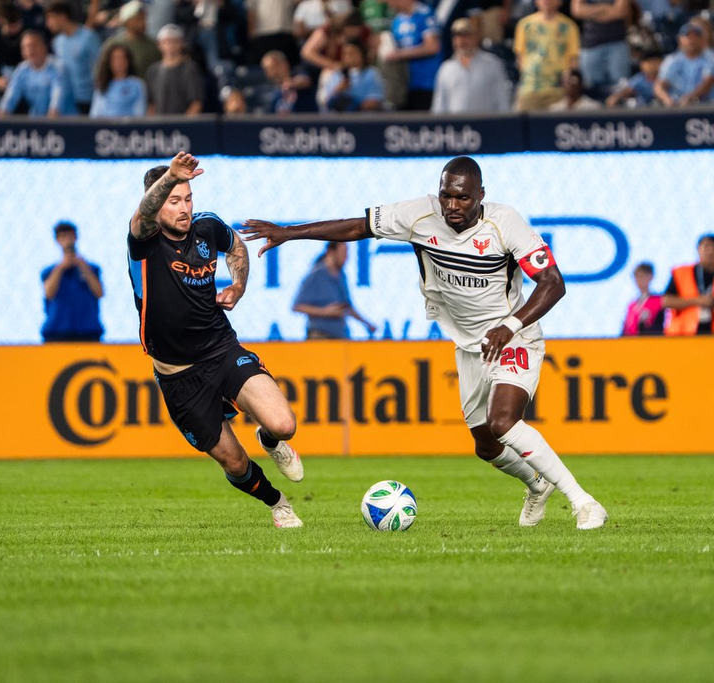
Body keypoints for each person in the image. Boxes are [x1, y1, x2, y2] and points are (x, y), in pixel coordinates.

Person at [241, 156, 608, 531]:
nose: (452, 206)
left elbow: (553, 282)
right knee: (485, 445)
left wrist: (510, 326)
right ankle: (536, 484)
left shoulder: (505, 222)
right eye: (446, 195)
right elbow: (358, 226)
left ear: (481, 195)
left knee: (503, 421)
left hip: (514, 335)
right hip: (470, 346)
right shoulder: (420, 215)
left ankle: (584, 503)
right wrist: (290, 232)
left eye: (462, 198)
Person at [127, 152, 304, 528]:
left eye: (188, 198)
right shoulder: (144, 241)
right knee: (235, 462)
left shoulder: (207, 228)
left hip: (220, 349)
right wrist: (169, 177)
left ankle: (270, 441)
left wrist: (238, 285)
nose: (184, 208)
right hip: (178, 376)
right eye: (174, 201)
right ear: (158, 202)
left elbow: (236, 246)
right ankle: (277, 502)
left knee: (284, 424)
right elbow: (142, 215)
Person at [663, 233, 714, 336]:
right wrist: (698, 301)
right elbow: (665, 301)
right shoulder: (681, 273)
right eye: (706, 246)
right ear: (698, 249)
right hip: (683, 335)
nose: (710, 251)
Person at [293, 242, 376, 339]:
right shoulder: (317, 275)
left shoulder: (341, 276)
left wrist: (366, 323)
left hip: (338, 335)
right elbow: (298, 306)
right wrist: (325, 312)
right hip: (320, 335)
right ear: (331, 252)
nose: (346, 257)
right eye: (343, 252)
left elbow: (346, 306)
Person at [431, 17, 511, 114]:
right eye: (457, 36)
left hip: (486, 124)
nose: (461, 41)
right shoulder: (446, 68)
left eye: (466, 35)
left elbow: (502, 99)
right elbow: (439, 106)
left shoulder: (492, 64)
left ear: (476, 37)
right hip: (456, 127)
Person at [41, 221, 104, 342]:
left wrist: (83, 266)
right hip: (57, 332)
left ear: (75, 237)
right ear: (57, 240)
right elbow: (49, 293)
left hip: (88, 331)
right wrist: (60, 268)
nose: (67, 241)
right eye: (63, 237)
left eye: (70, 236)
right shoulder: (49, 271)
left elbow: (99, 292)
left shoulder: (91, 268)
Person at [513, 0, 580, 112]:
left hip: (558, 90)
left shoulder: (569, 26)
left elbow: (573, 59)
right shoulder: (524, 25)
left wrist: (568, 84)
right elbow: (520, 56)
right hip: (530, 88)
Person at [0, 29, 74, 115]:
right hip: (36, 122)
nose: (29, 50)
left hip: (65, 123)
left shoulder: (59, 69)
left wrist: (46, 127)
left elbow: (57, 105)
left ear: (44, 46)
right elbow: (9, 100)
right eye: (25, 47)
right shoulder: (21, 70)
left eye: (33, 45)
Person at [44, 0, 101, 114]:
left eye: (50, 18)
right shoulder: (57, 42)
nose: (48, 23)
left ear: (62, 17)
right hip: (66, 102)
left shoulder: (89, 37)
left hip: (88, 100)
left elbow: (99, 68)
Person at [383, 0, 442, 110]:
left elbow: (432, 47)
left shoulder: (425, 14)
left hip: (426, 83)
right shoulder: (397, 21)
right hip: (404, 86)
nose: (390, 4)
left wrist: (400, 55)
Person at [570, 0, 630, 93]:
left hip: (617, 42)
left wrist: (591, 12)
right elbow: (577, 10)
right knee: (590, 88)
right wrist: (604, 8)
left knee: (620, 87)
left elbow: (620, 11)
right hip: (590, 45)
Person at [654, 22, 714, 106]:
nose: (692, 40)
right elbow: (659, 85)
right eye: (688, 36)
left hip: (707, 106)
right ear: (680, 39)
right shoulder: (672, 60)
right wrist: (666, 99)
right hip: (676, 107)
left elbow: (708, 82)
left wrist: (689, 98)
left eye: (696, 36)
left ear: (702, 40)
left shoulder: (711, 58)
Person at [146, 24, 205, 114]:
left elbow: (196, 103)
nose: (170, 46)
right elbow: (151, 104)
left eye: (174, 41)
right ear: (159, 44)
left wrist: (184, 125)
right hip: (159, 124)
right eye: (166, 42)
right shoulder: (152, 71)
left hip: (182, 124)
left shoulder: (190, 68)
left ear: (181, 43)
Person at [101, 1, 161, 79]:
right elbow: (102, 73)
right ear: (127, 22)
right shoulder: (113, 44)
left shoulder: (153, 46)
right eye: (139, 19)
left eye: (144, 18)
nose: (143, 23)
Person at [323, 38, 384, 111]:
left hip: (363, 118)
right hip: (339, 119)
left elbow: (375, 101)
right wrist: (339, 89)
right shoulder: (337, 74)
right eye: (345, 54)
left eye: (352, 53)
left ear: (362, 54)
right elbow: (327, 102)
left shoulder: (371, 73)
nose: (348, 57)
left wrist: (354, 105)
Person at [89, 42, 147, 117]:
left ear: (128, 61)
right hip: (104, 127)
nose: (119, 62)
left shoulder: (137, 84)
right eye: (115, 58)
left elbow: (140, 112)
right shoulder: (102, 85)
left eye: (122, 58)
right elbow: (95, 113)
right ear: (108, 62)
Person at [260, 48, 317, 113]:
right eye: (267, 69)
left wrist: (292, 84)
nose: (272, 72)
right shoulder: (273, 91)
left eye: (274, 67)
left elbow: (305, 81)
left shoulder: (298, 72)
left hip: (307, 120)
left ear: (284, 64)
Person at [621, 262, 664, 336]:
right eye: (636, 276)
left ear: (650, 277)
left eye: (642, 276)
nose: (638, 280)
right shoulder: (632, 304)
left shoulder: (658, 300)